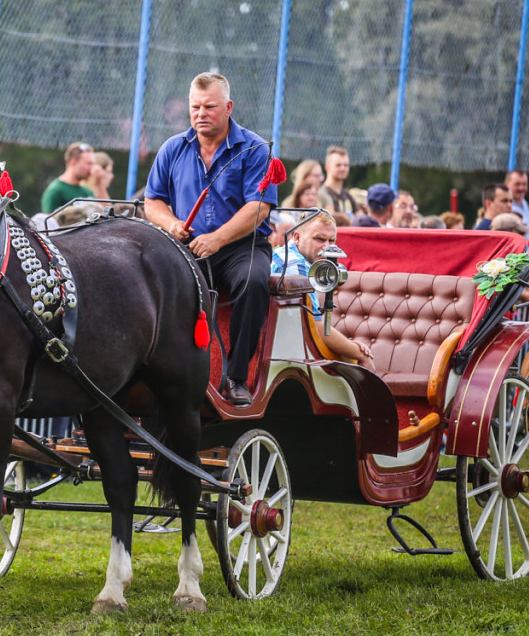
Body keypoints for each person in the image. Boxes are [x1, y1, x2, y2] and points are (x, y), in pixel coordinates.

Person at [144, 72, 277, 406]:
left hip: (241, 247)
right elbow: (152, 202)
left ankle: (236, 377)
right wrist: (171, 223)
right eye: (195, 107)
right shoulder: (173, 148)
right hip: (187, 247)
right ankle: (158, 370)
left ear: (229, 107)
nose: (200, 113)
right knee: (149, 283)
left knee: (254, 280)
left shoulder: (255, 149)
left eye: (209, 107)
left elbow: (259, 208)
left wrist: (217, 238)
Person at [271, 212, 374, 369]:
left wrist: (349, 346)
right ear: (297, 238)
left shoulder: (286, 254)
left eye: (331, 241)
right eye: (319, 239)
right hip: (286, 355)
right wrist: (358, 353)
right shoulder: (296, 266)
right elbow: (315, 329)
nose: (327, 247)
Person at [40, 142, 95, 212]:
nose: (92, 169)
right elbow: (48, 222)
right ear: (73, 163)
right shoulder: (55, 191)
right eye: (89, 164)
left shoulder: (87, 192)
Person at [317, 146, 358, 215]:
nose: (343, 168)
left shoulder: (347, 194)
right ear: (327, 167)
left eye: (346, 165)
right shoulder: (320, 194)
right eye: (338, 165)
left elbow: (360, 218)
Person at [506, 170, 529, 239]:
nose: (521, 188)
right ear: (506, 184)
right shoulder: (506, 208)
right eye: (517, 184)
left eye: (524, 184)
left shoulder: (524, 202)